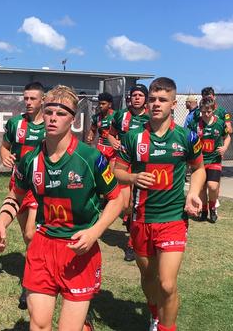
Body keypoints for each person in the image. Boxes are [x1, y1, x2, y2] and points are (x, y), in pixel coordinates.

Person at [0, 85, 123, 331]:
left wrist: (95, 232)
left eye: (60, 114)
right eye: (49, 111)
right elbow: (16, 195)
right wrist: (2, 222)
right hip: (42, 246)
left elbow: (117, 200)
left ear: (72, 120)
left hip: (79, 250)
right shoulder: (30, 160)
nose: (53, 118)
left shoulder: (90, 158)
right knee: (39, 325)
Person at [114, 77, 205, 331]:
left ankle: (166, 327)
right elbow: (116, 171)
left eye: (162, 100)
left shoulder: (186, 137)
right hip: (141, 219)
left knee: (167, 283)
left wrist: (193, 193)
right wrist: (132, 176)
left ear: (173, 104)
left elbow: (199, 169)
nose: (156, 104)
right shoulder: (134, 138)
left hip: (173, 219)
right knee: (149, 278)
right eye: (152, 99)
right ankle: (154, 313)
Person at [0, 81, 45, 309]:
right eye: (25, 98)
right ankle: (40, 273)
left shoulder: (50, 124)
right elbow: (5, 146)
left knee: (31, 234)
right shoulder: (15, 123)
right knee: (28, 238)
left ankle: (29, 288)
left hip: (39, 188)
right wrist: (5, 156)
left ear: (42, 100)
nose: (28, 102)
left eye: (33, 98)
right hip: (19, 184)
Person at [111, 84, 150, 262]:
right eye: (134, 95)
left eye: (140, 95)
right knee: (126, 204)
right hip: (123, 164)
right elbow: (110, 134)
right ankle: (128, 219)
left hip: (143, 165)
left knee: (137, 206)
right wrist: (113, 141)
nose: (137, 98)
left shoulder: (151, 117)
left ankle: (131, 245)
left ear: (145, 99)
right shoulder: (120, 116)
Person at [189, 97, 231, 222]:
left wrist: (224, 147)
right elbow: (189, 140)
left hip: (214, 160)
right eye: (203, 112)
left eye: (209, 112)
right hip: (199, 161)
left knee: (212, 186)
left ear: (213, 110)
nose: (206, 115)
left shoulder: (220, 123)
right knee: (201, 188)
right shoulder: (195, 124)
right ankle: (204, 210)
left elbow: (227, 137)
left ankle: (213, 208)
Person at [86, 92, 117, 167]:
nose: (100, 106)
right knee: (101, 171)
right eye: (99, 103)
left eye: (103, 104)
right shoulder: (96, 117)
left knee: (112, 174)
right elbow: (93, 129)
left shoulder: (116, 116)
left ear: (109, 105)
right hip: (101, 147)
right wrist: (90, 136)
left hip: (113, 149)